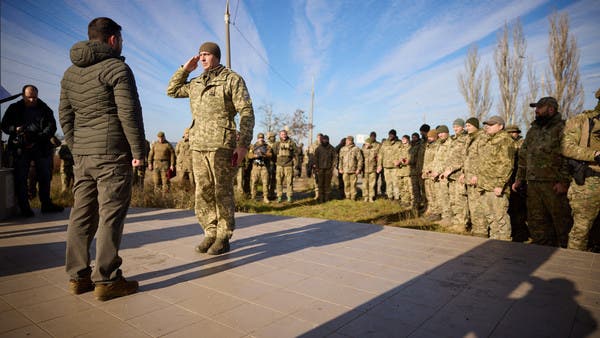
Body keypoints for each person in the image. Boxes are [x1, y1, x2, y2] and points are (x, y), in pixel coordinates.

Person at [60, 17, 145, 300]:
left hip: (83, 155)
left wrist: (77, 147)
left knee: (81, 215)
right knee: (110, 215)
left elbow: (65, 116)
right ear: (112, 39)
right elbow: (128, 113)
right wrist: (138, 151)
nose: (121, 44)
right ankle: (107, 280)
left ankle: (78, 277)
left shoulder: (70, 73)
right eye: (120, 39)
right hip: (112, 155)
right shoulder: (116, 67)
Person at [167, 41, 254, 255]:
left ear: (216, 56)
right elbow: (172, 90)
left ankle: (223, 235)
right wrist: (185, 69)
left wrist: (243, 145)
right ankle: (210, 232)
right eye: (200, 54)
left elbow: (246, 112)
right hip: (197, 144)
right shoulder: (196, 83)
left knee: (221, 191)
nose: (202, 58)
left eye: (206, 54)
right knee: (203, 191)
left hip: (221, 145)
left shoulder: (232, 79)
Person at [512, 97, 572, 247]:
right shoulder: (533, 130)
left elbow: (567, 155)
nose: (536, 111)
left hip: (553, 184)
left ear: (551, 109)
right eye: (535, 108)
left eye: (539, 108)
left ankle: (565, 252)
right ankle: (540, 250)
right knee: (536, 219)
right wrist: (520, 178)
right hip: (533, 183)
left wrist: (564, 182)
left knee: (560, 220)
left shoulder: (563, 128)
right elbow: (523, 155)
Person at [1, 85, 63, 217]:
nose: (32, 100)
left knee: (45, 177)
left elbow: (51, 126)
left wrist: (38, 138)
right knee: (21, 178)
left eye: (34, 97)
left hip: (41, 147)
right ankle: (24, 208)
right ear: (23, 95)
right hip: (20, 149)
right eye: (29, 97)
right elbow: (4, 125)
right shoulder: (14, 108)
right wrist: (15, 130)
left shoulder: (44, 108)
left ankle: (46, 204)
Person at [561, 89, 600, 251]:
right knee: (581, 231)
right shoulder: (582, 120)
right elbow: (566, 147)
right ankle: (572, 269)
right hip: (589, 182)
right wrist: (595, 154)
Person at [477, 116, 514, 240]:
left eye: (492, 124)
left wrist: (500, 184)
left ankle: (504, 242)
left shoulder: (505, 140)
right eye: (487, 124)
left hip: (496, 186)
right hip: (485, 185)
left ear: (500, 126)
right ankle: (494, 242)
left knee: (500, 217)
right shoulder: (489, 140)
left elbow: (507, 164)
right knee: (490, 216)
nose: (488, 126)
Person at [441, 119, 469, 232]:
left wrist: (452, 169)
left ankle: (462, 224)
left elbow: (464, 158)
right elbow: (450, 157)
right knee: (453, 200)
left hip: (459, 175)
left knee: (460, 200)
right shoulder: (454, 140)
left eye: (457, 126)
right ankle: (456, 221)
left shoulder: (465, 139)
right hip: (451, 175)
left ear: (463, 127)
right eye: (454, 126)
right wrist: (445, 170)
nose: (455, 128)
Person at [505, 124, 529, 242]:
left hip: (519, 178)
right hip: (509, 178)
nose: (511, 134)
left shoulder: (522, 144)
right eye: (508, 132)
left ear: (518, 133)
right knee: (510, 207)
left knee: (519, 207)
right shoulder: (506, 143)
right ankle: (514, 230)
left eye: (513, 132)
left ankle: (521, 233)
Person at [272, 129, 298, 202]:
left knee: (289, 182)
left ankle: (289, 196)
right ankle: (279, 196)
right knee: (279, 182)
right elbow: (273, 154)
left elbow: (296, 153)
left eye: (285, 134)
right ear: (280, 135)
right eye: (282, 134)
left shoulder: (292, 143)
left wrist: (297, 164)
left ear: (286, 135)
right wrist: (275, 163)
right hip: (279, 166)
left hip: (289, 165)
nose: (283, 135)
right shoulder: (276, 144)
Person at [248, 132, 272, 203]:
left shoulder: (267, 146)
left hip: (264, 167)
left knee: (265, 183)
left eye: (262, 138)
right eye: (259, 138)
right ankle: (253, 197)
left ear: (263, 138)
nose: (261, 139)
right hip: (255, 166)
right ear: (257, 138)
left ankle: (265, 197)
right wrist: (254, 156)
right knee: (254, 182)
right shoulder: (253, 146)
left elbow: (270, 154)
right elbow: (249, 155)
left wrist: (264, 154)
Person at [338, 135, 364, 201]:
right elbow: (340, 159)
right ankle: (347, 197)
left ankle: (353, 197)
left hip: (353, 170)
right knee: (346, 184)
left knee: (353, 184)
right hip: (345, 170)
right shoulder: (343, 149)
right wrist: (340, 168)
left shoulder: (356, 149)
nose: (347, 141)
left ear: (351, 141)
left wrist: (359, 169)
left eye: (348, 140)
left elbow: (360, 159)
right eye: (346, 140)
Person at [377, 129, 401, 200]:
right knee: (388, 182)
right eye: (389, 134)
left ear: (395, 135)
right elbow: (380, 154)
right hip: (386, 166)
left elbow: (402, 154)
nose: (390, 136)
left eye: (392, 134)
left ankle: (397, 197)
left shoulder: (399, 143)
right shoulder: (384, 143)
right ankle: (390, 196)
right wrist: (379, 165)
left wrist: (399, 161)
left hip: (395, 167)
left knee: (396, 183)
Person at [314, 135, 338, 203]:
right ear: (322, 140)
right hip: (320, 169)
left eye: (326, 139)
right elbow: (316, 159)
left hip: (329, 169)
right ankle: (321, 198)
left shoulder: (332, 148)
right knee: (320, 184)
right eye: (323, 139)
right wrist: (317, 168)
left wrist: (332, 167)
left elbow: (335, 158)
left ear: (328, 140)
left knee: (327, 184)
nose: (325, 141)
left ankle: (327, 198)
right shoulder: (318, 148)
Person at [362, 133, 380, 202]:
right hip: (365, 169)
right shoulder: (362, 150)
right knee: (365, 184)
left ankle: (371, 197)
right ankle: (366, 197)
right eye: (365, 143)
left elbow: (378, 158)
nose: (366, 144)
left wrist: (378, 166)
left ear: (370, 144)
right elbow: (360, 160)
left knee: (372, 184)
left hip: (373, 169)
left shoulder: (374, 150)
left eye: (367, 143)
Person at [307, 133, 323, 200]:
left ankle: (323, 194)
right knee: (316, 180)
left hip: (323, 165)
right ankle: (317, 195)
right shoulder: (313, 145)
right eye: (318, 137)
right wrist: (313, 163)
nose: (319, 138)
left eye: (321, 137)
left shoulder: (325, 144)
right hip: (316, 165)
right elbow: (311, 155)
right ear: (317, 137)